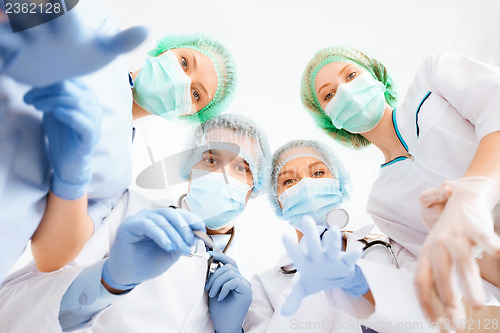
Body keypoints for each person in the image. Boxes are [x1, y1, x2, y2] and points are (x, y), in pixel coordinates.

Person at [0, 1, 238, 278]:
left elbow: (50, 256)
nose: (183, 81)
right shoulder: (98, 27)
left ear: (191, 115)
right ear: (166, 49)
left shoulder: (118, 174)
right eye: (185, 63)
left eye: (196, 94)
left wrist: (72, 176)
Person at [0, 114, 270, 333]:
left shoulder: (248, 285)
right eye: (211, 159)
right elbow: (12, 308)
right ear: (189, 168)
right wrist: (107, 281)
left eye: (241, 167)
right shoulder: (128, 210)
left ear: (254, 185)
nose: (223, 174)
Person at [299, 46, 500, 323]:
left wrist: (479, 186)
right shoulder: (383, 203)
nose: (346, 91)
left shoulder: (433, 80)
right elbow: (460, 273)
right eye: (329, 94)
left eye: (351, 74)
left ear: (375, 76)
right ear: (331, 123)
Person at [244, 140, 437, 333]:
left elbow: (433, 319)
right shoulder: (264, 285)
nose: (306, 185)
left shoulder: (391, 248)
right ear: (277, 201)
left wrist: (364, 289)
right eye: (289, 181)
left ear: (339, 182)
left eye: (318, 173)